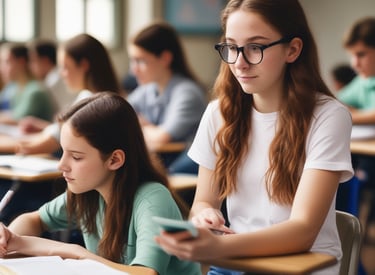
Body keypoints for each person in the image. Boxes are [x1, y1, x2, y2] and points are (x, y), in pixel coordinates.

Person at [154, 1, 353, 274]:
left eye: (255, 47)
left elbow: (303, 230)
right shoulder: (218, 113)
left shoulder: (329, 116)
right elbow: (203, 202)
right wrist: (203, 216)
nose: (239, 62)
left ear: (292, 49)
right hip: (234, 261)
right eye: (232, 47)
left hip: (301, 265)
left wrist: (217, 248)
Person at [0, 92, 201, 275]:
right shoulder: (87, 192)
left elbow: (146, 273)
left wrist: (75, 252)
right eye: (63, 152)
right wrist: (8, 238)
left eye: (76, 157)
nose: (62, 165)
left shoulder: (152, 200)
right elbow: (34, 220)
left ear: (114, 160)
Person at [16, 33, 120, 155]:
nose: (61, 74)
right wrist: (45, 127)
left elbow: (36, 147)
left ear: (84, 65)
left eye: (65, 67)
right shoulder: (93, 97)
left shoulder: (91, 103)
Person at [126, 22, 207, 173]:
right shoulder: (147, 89)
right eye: (132, 61)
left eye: (141, 61)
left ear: (165, 58)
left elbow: (162, 137)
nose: (133, 70)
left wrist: (141, 126)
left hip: (184, 171)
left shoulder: (187, 93)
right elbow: (119, 116)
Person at [0, 42, 55, 125]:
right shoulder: (12, 87)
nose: (1, 68)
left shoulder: (36, 91)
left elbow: (16, 119)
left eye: (6, 62)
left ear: (21, 62)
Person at [336, 16, 375, 125]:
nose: (354, 64)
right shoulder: (364, 80)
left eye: (361, 54)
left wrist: (349, 115)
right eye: (352, 55)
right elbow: (335, 102)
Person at [28, 38, 76, 111]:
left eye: (33, 61)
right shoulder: (52, 79)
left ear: (45, 61)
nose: (30, 66)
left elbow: (64, 112)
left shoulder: (54, 81)